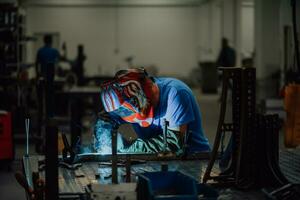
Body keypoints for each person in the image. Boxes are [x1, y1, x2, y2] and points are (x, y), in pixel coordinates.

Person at [94, 68, 210, 154]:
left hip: (192, 158)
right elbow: (104, 120)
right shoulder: (125, 99)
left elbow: (173, 144)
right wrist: (106, 141)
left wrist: (129, 148)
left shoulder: (176, 94)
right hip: (154, 159)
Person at [35, 35, 60, 118]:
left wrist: (37, 75)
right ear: (51, 42)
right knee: (51, 98)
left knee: (42, 99)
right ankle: (50, 115)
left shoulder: (40, 51)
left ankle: (41, 115)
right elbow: (58, 63)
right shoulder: (54, 51)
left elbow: (36, 65)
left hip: (42, 78)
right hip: (51, 79)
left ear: (44, 41)